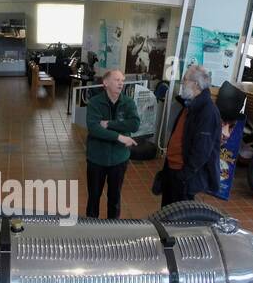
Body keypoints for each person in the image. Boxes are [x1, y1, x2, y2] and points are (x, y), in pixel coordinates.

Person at [82, 68, 150, 218]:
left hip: (119, 159)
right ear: (105, 83)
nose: (121, 83)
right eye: (117, 80)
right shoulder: (94, 103)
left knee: (115, 198)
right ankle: (90, 228)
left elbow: (134, 125)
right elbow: (94, 128)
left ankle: (114, 228)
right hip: (97, 159)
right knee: (93, 197)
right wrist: (119, 137)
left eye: (122, 81)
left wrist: (111, 124)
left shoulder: (128, 102)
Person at [161, 67, 224, 204]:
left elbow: (202, 150)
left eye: (185, 80)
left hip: (183, 176)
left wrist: (184, 175)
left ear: (195, 84)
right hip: (174, 169)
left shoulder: (207, 112)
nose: (182, 83)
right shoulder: (190, 104)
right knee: (167, 214)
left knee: (178, 221)